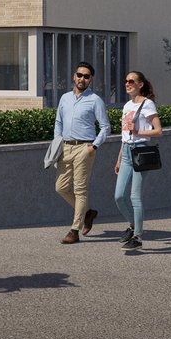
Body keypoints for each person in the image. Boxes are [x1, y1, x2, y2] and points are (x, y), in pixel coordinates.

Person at [53, 61, 111, 244]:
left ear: (91, 80)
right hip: (65, 147)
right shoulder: (64, 98)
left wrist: (93, 147)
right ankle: (87, 213)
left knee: (80, 189)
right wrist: (57, 143)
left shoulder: (95, 100)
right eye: (79, 75)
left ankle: (74, 230)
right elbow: (58, 123)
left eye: (86, 76)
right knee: (60, 187)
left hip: (84, 148)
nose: (82, 79)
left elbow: (105, 127)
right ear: (74, 76)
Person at [114, 71, 163, 251]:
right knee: (119, 196)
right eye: (126, 81)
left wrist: (138, 132)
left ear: (140, 84)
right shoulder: (127, 105)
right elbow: (125, 136)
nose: (127, 84)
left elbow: (158, 131)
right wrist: (119, 158)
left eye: (131, 81)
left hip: (141, 151)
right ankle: (133, 224)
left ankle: (138, 236)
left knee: (135, 196)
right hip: (127, 152)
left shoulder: (148, 104)